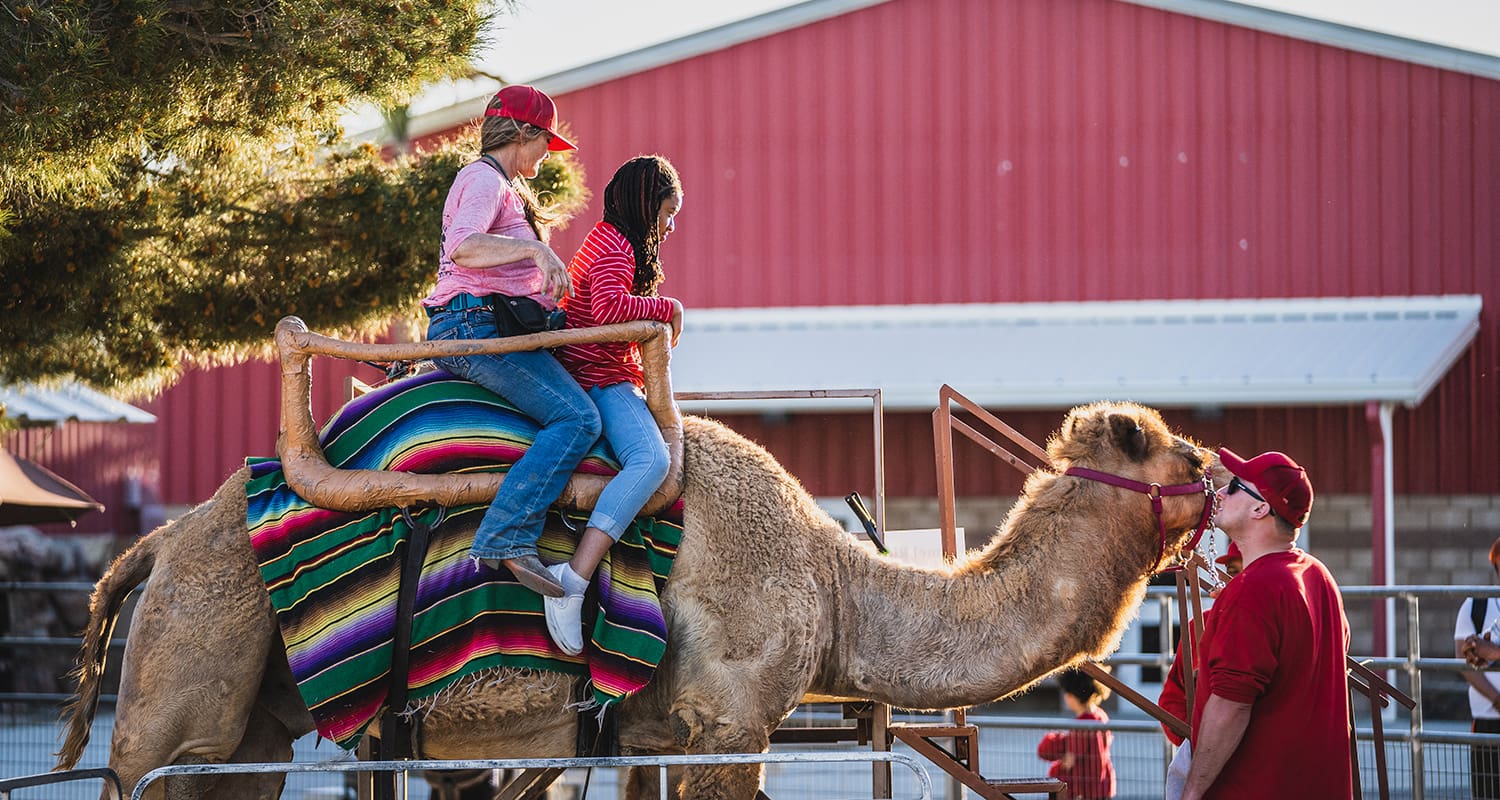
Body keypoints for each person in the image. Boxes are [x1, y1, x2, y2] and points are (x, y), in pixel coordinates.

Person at [421, 85, 601, 603]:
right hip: (475, 329)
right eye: (545, 140)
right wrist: (535, 252)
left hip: (485, 323)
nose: (549, 153)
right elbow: (464, 248)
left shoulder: (500, 184)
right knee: (579, 419)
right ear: (523, 133)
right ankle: (507, 535)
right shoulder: (483, 178)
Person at [545, 155, 685, 655]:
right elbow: (607, 311)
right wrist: (667, 309)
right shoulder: (615, 246)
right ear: (645, 205)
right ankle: (574, 579)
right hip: (600, 380)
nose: (669, 227)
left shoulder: (612, 242)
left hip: (603, 375)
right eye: (667, 213)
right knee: (652, 460)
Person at [1179, 448, 1350, 800]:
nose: (1221, 492)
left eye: (1236, 486)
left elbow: (1232, 705)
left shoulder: (1253, 592)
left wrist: (1191, 791)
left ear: (1261, 508)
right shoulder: (1318, 575)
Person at [1159, 542, 1243, 746]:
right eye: (1233, 572)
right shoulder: (1200, 625)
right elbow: (1172, 699)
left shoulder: (1278, 623)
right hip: (1206, 749)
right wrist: (1194, 737)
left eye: (1247, 572)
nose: (1239, 580)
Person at [1455, 537, 1500, 800]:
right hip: (1487, 718)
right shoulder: (1476, 606)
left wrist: (1494, 651)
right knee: (1487, 792)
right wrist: (1495, 698)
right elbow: (1463, 658)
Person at [1037, 668, 1116, 800]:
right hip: (1101, 784)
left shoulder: (1081, 724)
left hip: (1085, 790)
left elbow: (1070, 760)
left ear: (1071, 696)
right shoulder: (1100, 715)